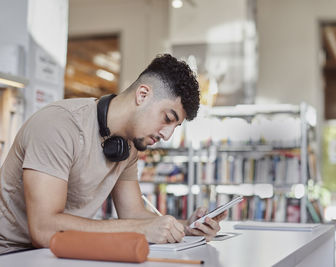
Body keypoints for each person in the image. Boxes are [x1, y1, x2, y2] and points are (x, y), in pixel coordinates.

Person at [0, 54, 227, 254]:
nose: (167, 135)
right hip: (10, 252)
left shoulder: (127, 148)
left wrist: (185, 228)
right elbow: (43, 228)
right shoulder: (59, 125)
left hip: (59, 252)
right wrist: (140, 229)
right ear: (143, 94)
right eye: (167, 118)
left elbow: (134, 213)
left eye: (174, 127)